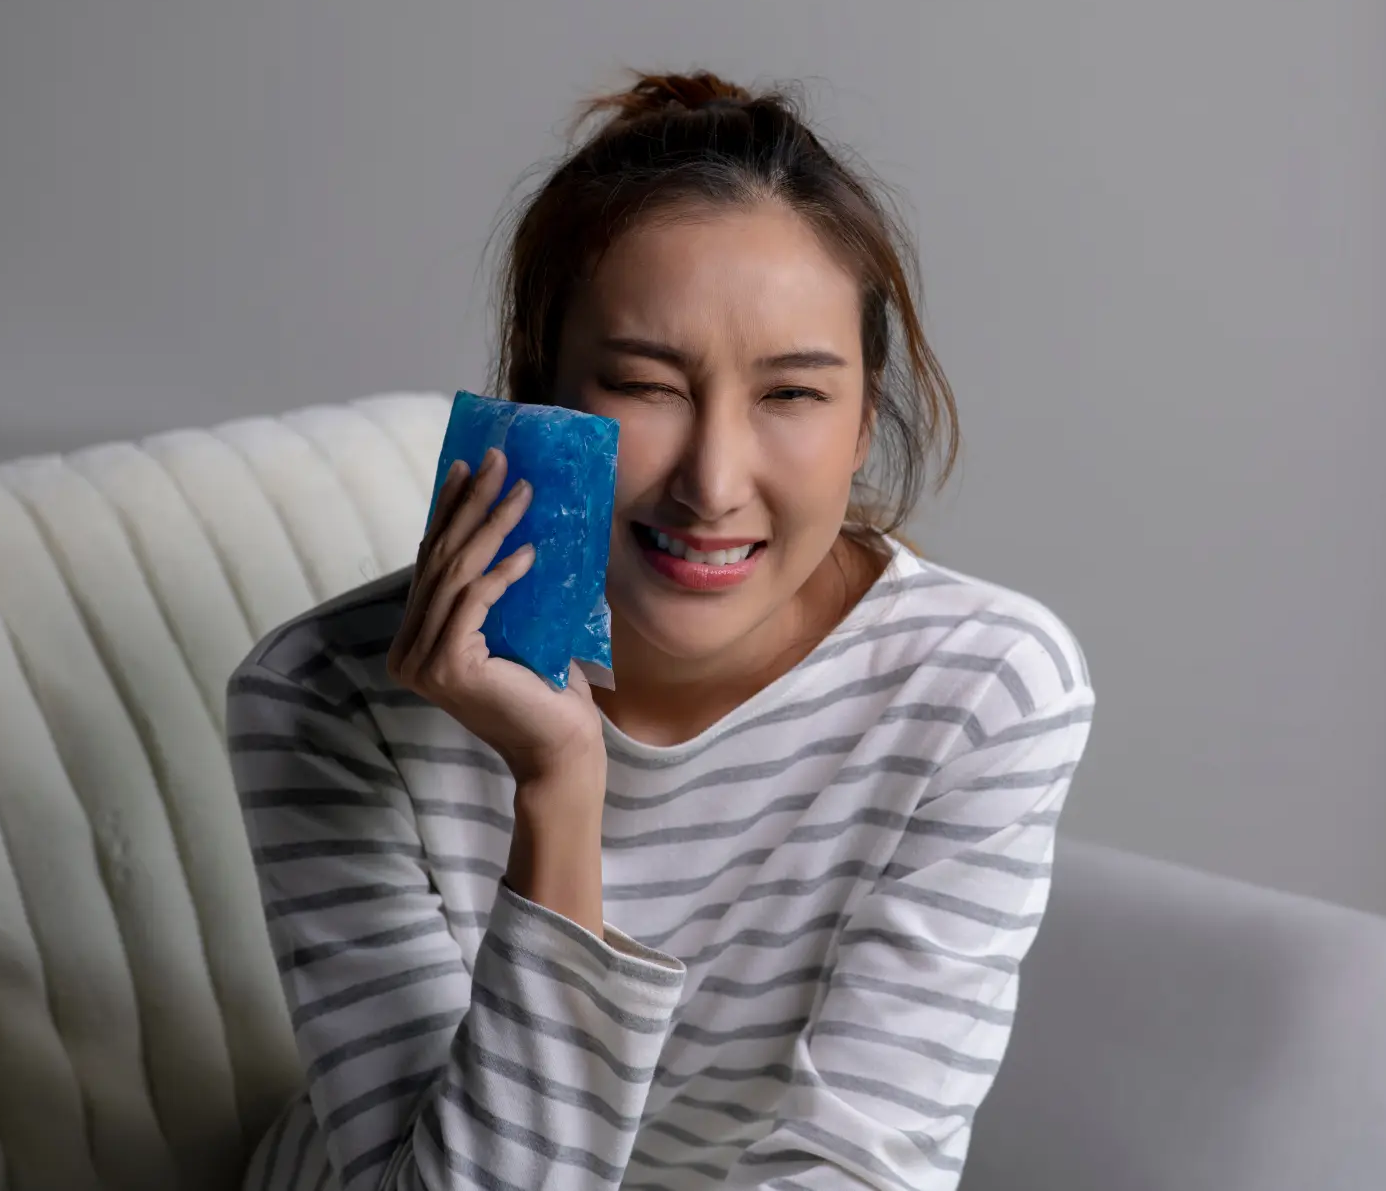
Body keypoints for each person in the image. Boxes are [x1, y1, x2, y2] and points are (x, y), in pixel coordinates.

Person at [229, 72, 1095, 1191]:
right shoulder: (323, 695)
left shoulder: (982, 690)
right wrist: (558, 783)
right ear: (537, 395)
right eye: (647, 386)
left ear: (862, 419)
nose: (713, 483)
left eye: (791, 395)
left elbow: (853, 1170)